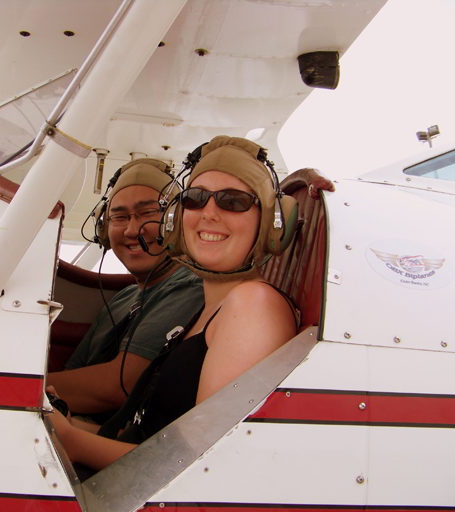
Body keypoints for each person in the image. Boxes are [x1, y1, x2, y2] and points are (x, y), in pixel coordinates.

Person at [49, 135, 301, 471]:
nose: (209, 213)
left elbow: (201, 468)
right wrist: (65, 424)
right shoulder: (210, 309)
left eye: (234, 201)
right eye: (195, 199)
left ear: (271, 223)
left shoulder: (251, 305)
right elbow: (147, 440)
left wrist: (74, 442)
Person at [47, 158, 204, 417]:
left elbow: (117, 387)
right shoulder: (124, 298)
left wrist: (13, 386)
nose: (132, 230)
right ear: (104, 229)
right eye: (119, 217)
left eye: (148, 213)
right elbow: (71, 375)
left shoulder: (190, 287)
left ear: (176, 220)